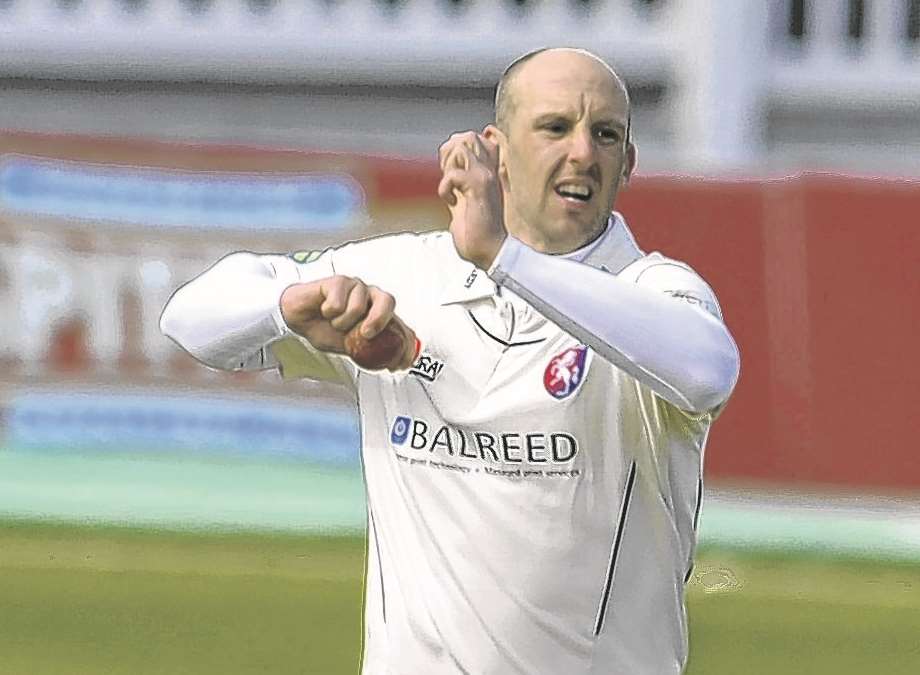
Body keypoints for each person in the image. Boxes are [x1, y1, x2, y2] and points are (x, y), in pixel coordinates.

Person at [161, 47, 740, 675]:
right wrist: (287, 306)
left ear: (627, 162)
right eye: (555, 128)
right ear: (497, 150)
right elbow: (189, 320)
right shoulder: (406, 276)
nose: (582, 152)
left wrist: (503, 257)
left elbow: (707, 369)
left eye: (605, 134)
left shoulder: (650, 290)